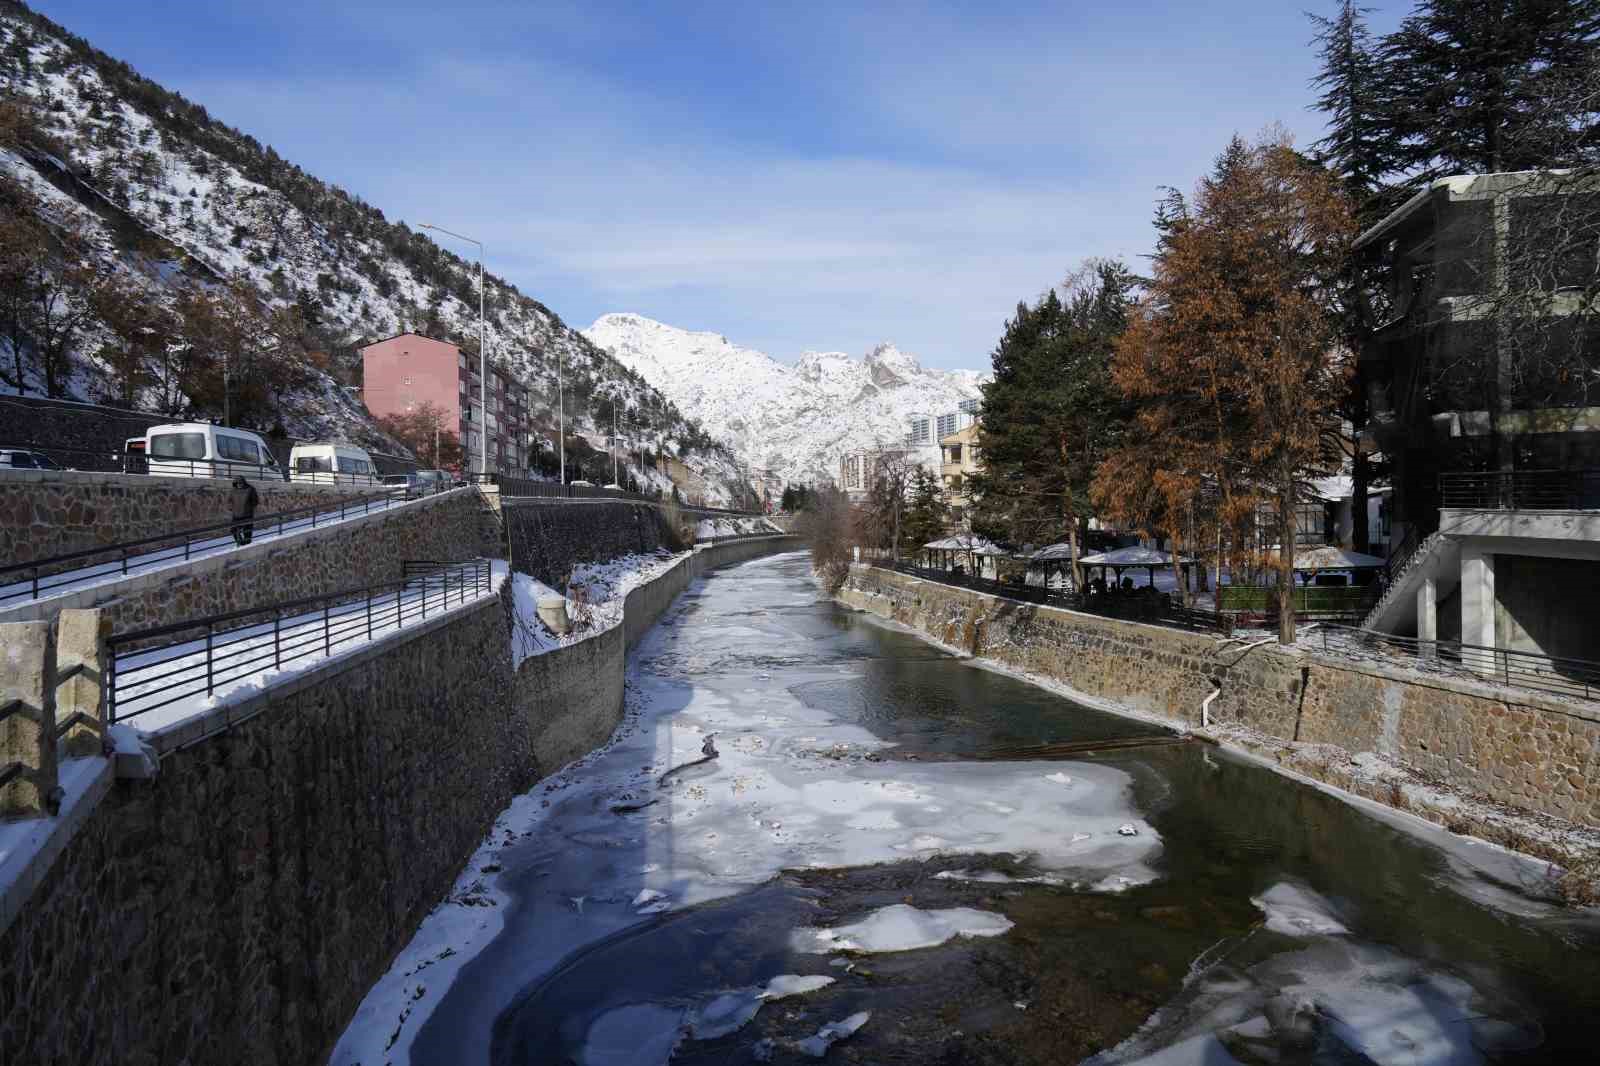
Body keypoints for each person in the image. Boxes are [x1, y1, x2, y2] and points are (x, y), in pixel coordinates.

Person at [229, 475, 259, 546]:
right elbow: (230, 500)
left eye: (240, 483)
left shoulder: (250, 489)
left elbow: (255, 501)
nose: (239, 484)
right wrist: (231, 507)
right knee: (233, 530)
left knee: (247, 533)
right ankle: (242, 544)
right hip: (236, 515)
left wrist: (249, 507)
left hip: (247, 515)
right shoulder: (233, 490)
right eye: (237, 483)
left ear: (244, 482)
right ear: (235, 483)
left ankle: (247, 547)